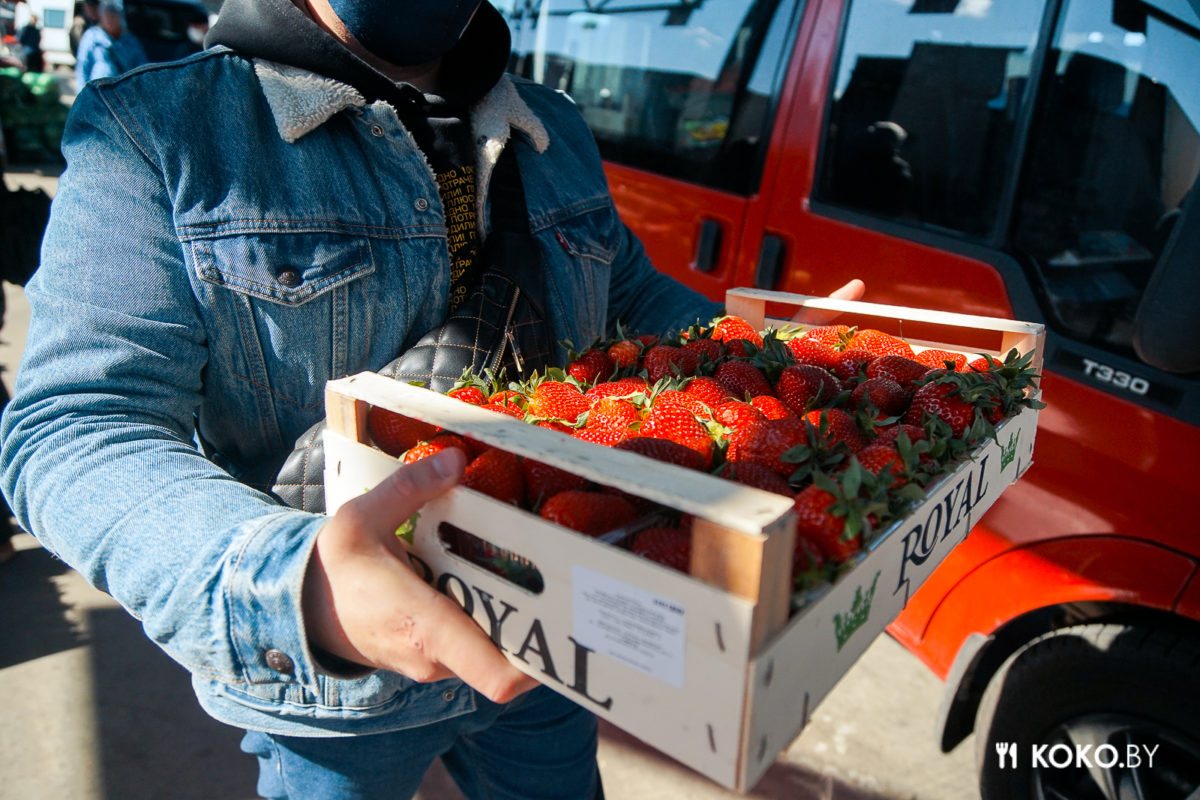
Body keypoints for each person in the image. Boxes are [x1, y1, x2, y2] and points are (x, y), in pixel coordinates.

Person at [1, 1, 863, 797]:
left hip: (548, 639)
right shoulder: (161, 128)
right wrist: (297, 587)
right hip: (336, 691)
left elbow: (632, 298)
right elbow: (73, 427)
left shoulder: (552, 126)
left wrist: (775, 353)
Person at [73, 1, 147, 86]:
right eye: (106, 16)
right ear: (101, 16)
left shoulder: (130, 41)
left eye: (113, 16)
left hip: (122, 93)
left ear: (120, 17)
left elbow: (141, 68)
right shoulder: (92, 36)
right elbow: (82, 67)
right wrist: (82, 93)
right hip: (98, 92)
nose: (109, 20)